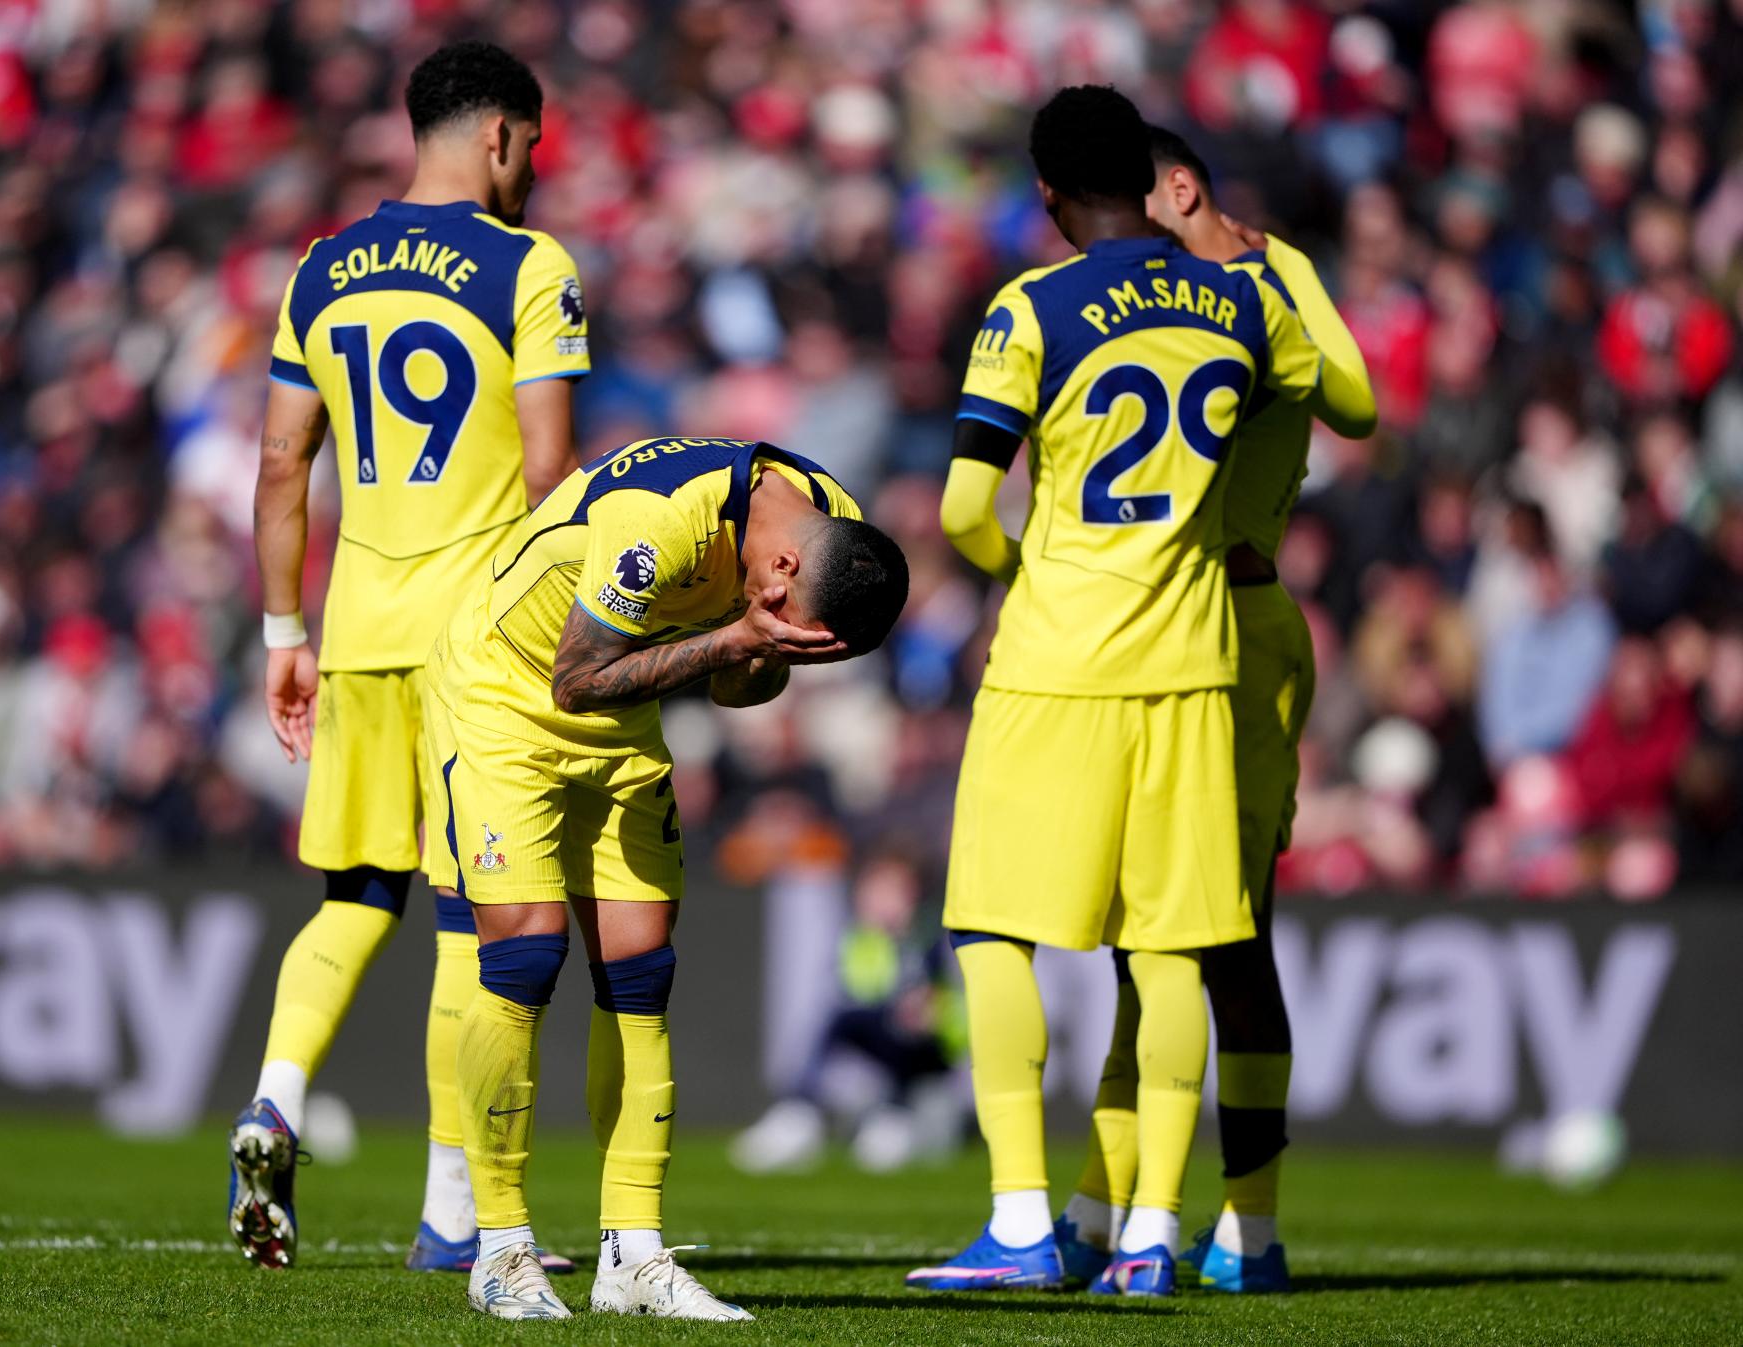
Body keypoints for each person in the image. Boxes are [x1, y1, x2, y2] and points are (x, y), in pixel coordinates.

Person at [909, 85, 1361, 1299]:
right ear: (1152, 178)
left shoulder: (1033, 305)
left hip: (1057, 664)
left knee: (990, 930)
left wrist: (1031, 574)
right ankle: (1154, 1232)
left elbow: (962, 511)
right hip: (1198, 659)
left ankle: (1017, 1222)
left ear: (1048, 195)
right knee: (1171, 951)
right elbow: (1338, 405)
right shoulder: (1241, 303)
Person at [228, 41, 587, 1273]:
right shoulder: (528, 267)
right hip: (471, 643)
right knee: (464, 918)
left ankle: (274, 1095)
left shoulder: (321, 268)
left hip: (359, 631)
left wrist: (283, 630)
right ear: (499, 136)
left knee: (353, 893)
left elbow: (282, 462)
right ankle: (449, 1209)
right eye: (533, 144)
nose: (535, 168)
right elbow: (547, 477)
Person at [425, 434, 908, 1319]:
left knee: (641, 969)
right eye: (784, 605)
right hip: (507, 696)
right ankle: (497, 1249)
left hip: (624, 713)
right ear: (788, 560)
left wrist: (764, 648)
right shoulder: (661, 523)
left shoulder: (820, 523)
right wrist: (739, 633)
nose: (777, 615)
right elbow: (576, 679)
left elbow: (736, 691)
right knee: (526, 954)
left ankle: (632, 1255)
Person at [1046, 125, 1377, 1296]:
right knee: (1144, 939)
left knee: (1222, 934)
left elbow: (1355, 401)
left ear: (1176, 188)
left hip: (1236, 627)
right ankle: (1100, 1208)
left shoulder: (1257, 283)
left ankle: (1246, 1222)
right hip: (1141, 629)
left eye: (1138, 209)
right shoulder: (1145, 300)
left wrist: (1264, 281)